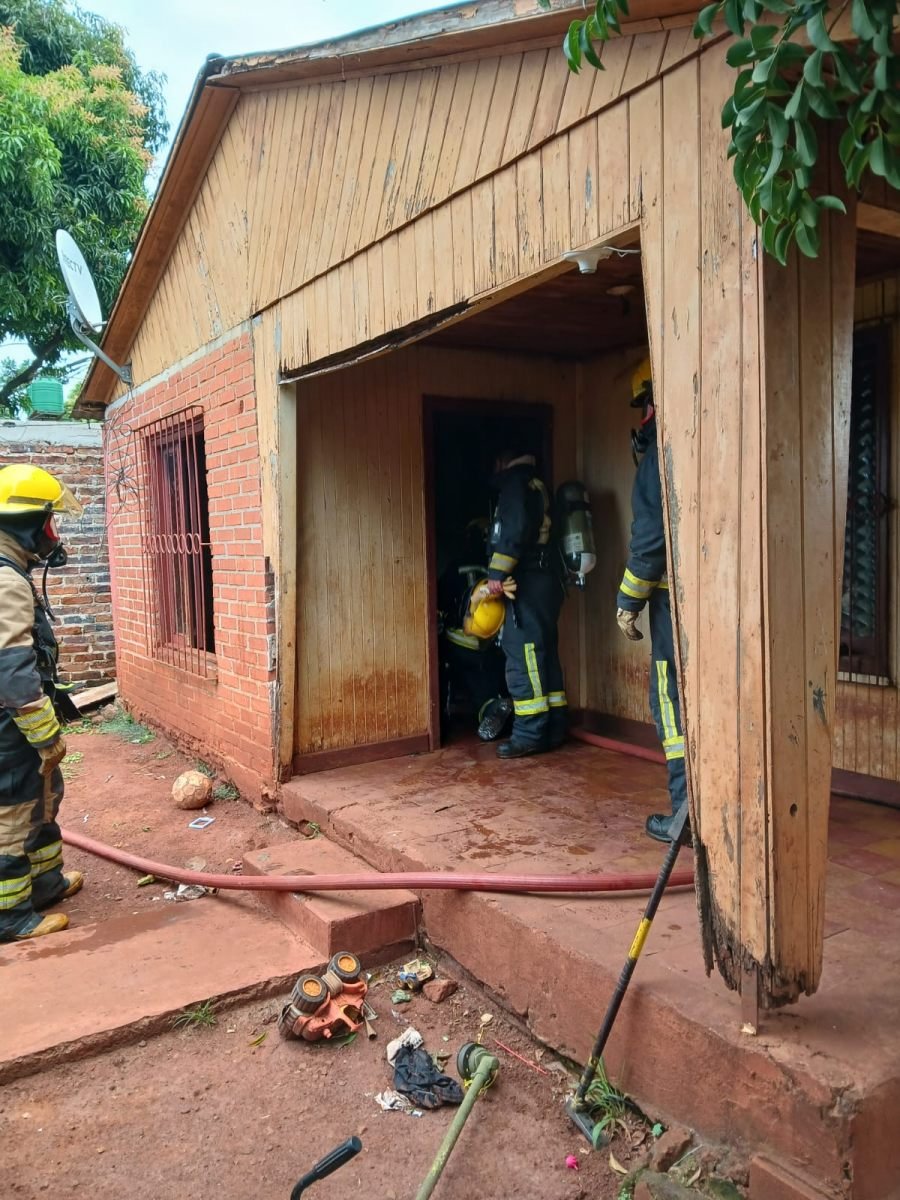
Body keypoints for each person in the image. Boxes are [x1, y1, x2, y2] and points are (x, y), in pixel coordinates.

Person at [0, 464, 85, 941]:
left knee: (43, 800)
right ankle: (10, 917)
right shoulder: (5, 581)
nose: (54, 533)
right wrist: (46, 735)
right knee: (11, 817)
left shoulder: (11, 570)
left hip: (15, 726)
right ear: (28, 524)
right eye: (50, 520)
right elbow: (11, 673)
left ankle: (45, 883)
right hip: (9, 727)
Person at [616, 357, 688, 843]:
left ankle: (686, 817)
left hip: (671, 613)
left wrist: (628, 602)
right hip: (715, 610)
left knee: (672, 709)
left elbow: (650, 542)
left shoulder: (661, 452)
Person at [479, 449, 567, 758]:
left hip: (526, 582)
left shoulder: (515, 485)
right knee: (545, 654)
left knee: (524, 653)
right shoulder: (537, 483)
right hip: (547, 580)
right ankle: (555, 727)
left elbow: (513, 530)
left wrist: (497, 573)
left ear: (503, 459)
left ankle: (529, 733)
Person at [438, 519, 512, 741]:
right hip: (490, 643)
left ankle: (461, 712)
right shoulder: (495, 569)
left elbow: (439, 601)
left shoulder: (454, 567)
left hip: (460, 641)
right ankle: (495, 705)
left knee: (462, 677)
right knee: (486, 681)